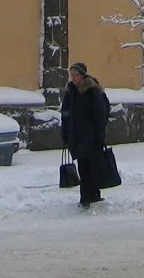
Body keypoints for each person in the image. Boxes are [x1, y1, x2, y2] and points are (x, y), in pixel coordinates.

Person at [60, 61, 110, 208]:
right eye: (71, 75)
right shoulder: (70, 92)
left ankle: (89, 196)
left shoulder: (93, 91)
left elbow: (101, 113)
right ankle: (89, 195)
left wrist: (100, 134)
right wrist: (65, 132)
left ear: (83, 75)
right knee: (83, 167)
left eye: (76, 75)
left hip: (91, 137)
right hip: (77, 137)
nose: (73, 78)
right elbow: (65, 113)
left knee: (91, 166)